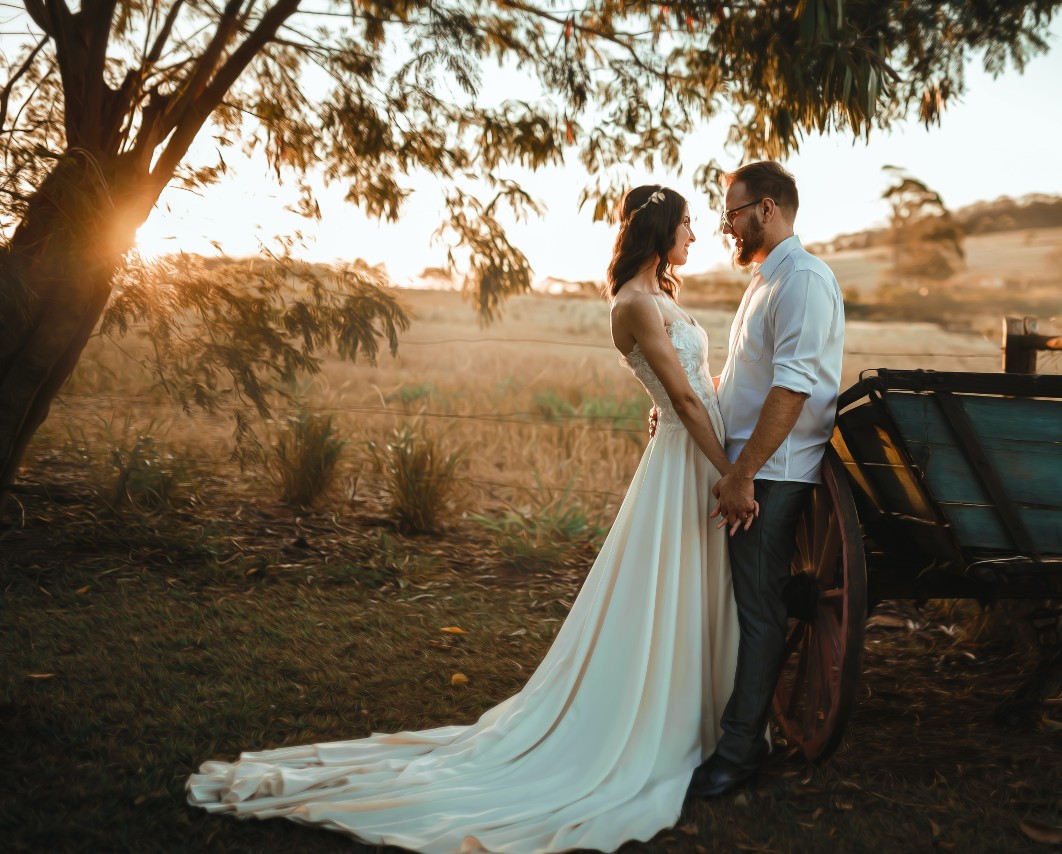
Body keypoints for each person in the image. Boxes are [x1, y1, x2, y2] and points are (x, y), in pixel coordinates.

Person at [186, 185, 743, 853]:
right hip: (687, 460)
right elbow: (677, 391)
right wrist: (728, 468)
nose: (696, 237)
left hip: (691, 448)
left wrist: (703, 416)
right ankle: (656, 724)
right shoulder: (631, 303)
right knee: (666, 589)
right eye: (688, 226)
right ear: (660, 232)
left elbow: (691, 384)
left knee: (695, 588)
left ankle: (703, 715)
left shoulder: (664, 296)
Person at [687, 161, 845, 798]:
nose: (728, 225)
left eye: (734, 213)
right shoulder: (766, 280)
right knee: (749, 607)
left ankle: (739, 752)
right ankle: (738, 733)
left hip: (774, 474)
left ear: (769, 208)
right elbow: (747, 379)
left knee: (759, 612)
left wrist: (744, 475)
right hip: (754, 467)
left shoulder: (803, 281)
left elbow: (791, 390)